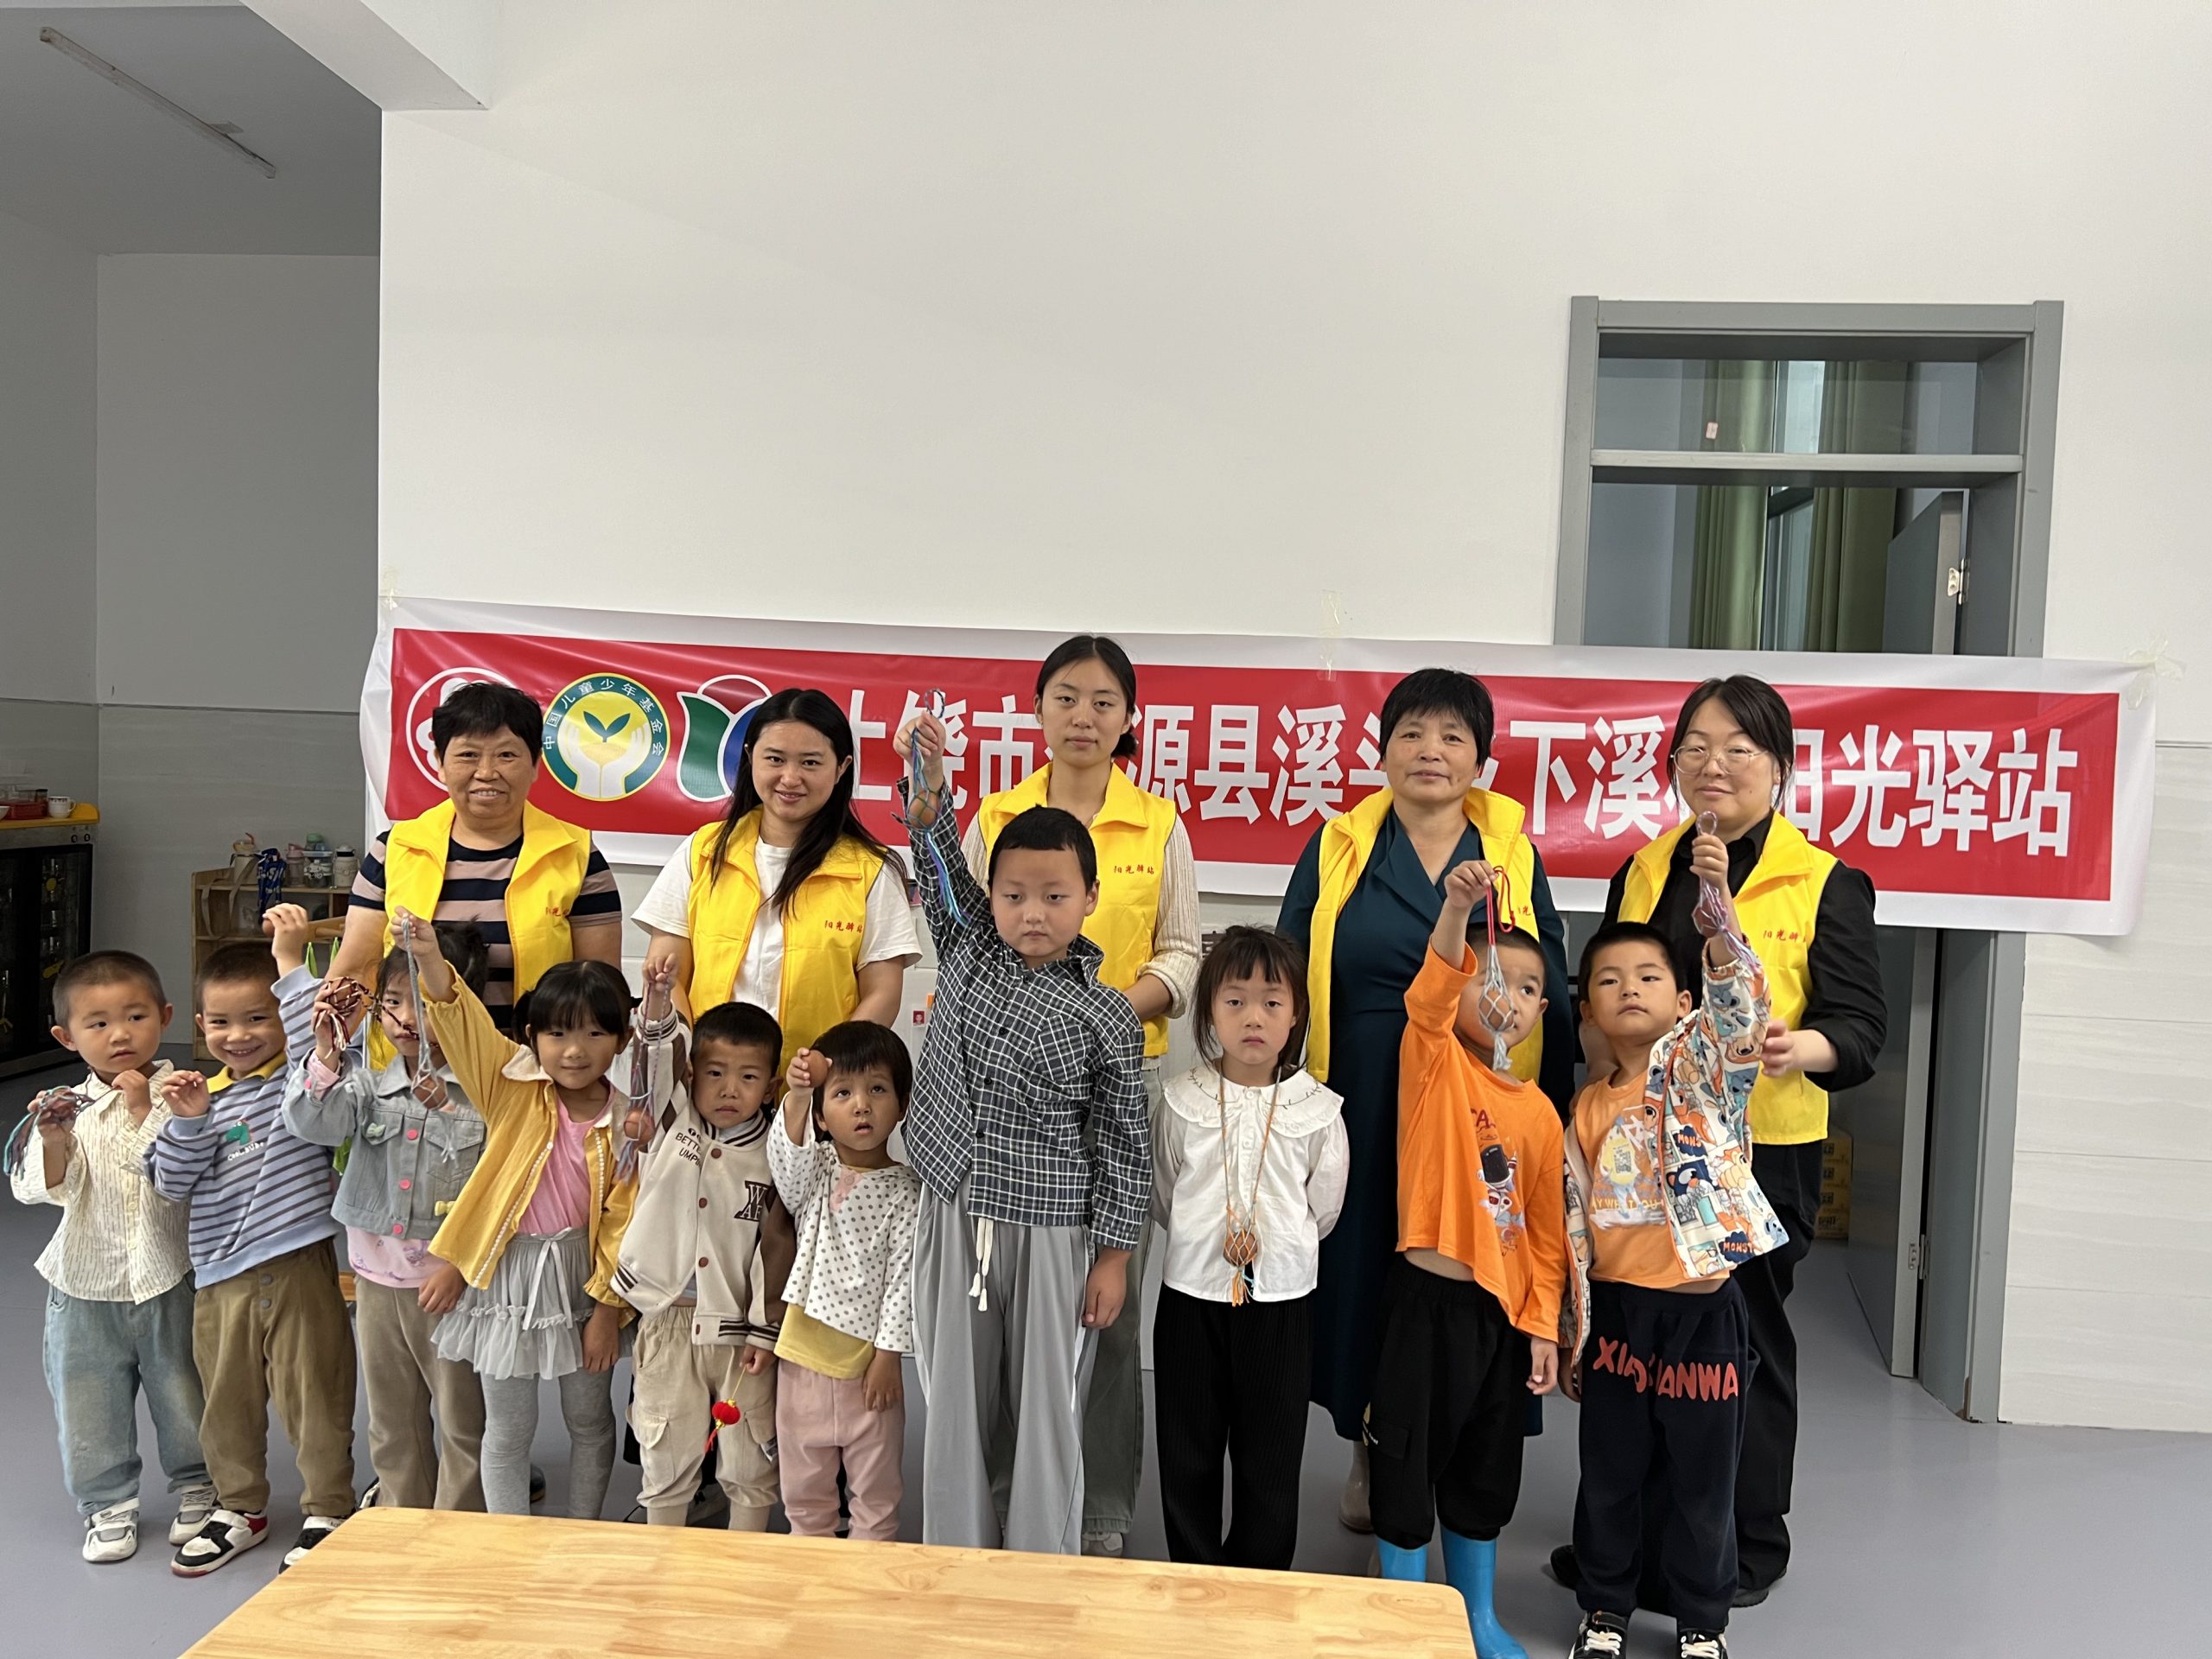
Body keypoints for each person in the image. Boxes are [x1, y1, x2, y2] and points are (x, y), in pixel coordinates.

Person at [1556, 675, 1886, 1610]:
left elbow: (1861, 1029)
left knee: (1744, 1349)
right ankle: (1633, 1551)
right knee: (1638, 1349)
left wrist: (1796, 1047)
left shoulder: (1823, 880)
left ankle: (1743, 1546)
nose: (1715, 765)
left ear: (1777, 768)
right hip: (1642, 1153)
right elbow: (1611, 990)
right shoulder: (1645, 867)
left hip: (1758, 1155)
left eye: (1740, 749)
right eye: (1695, 748)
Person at [1277, 666, 1573, 1531]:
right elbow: (1288, 969)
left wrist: (1548, 1111)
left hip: (1474, 1104)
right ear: (1382, 752)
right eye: (1410, 733)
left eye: (1452, 736)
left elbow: (1547, 979)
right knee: (1369, 1274)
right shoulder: (1339, 846)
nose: (1430, 751)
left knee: (1467, 1277)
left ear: (1481, 759)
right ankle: (1374, 1455)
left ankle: (1460, 1460)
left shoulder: (1512, 853)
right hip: (1362, 1096)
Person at [892, 706, 1151, 1554]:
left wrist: (1113, 1257)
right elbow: (938, 866)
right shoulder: (969, 948)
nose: (1031, 913)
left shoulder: (1106, 1014)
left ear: (1090, 899)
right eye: (1012, 895)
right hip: (953, 1208)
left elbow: (1123, 1145)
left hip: (1051, 1232)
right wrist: (929, 790)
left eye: (1054, 896)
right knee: (954, 1403)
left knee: (1046, 1410)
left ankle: (1043, 1564)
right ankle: (956, 1555)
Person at [962, 634, 1200, 1557]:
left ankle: (1099, 1510)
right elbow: (966, 939)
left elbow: (1182, 953)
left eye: (1104, 701)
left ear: (1130, 717)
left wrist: (1094, 1018)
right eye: (1066, 697)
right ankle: (1000, 1493)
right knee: (998, 1303)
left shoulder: (1159, 824)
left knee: (1107, 1301)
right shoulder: (996, 816)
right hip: (1003, 1090)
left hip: (1115, 1081)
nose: (1084, 717)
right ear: (1037, 710)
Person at [1560, 864, 1786, 1659]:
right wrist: (1575, 1330)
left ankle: (1700, 1622)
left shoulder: (1704, 1076)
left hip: (1702, 1314)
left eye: (1650, 976)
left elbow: (1742, 1013)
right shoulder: (1585, 1107)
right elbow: (1575, 1229)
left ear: (1684, 1003)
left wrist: (1720, 930)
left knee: (1703, 1482)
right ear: (1588, 1011)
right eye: (1609, 980)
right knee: (1610, 1474)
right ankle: (1605, 1610)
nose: (1629, 988)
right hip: (1620, 1316)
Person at [1369, 864, 1565, 1659]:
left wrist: (1543, 1326)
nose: (1505, 997)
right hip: (1424, 1306)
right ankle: (1404, 1621)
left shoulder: (1542, 1113)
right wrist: (1455, 910)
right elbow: (1431, 998)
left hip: (1501, 1321)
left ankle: (1476, 1617)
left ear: (1543, 1011)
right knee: (1404, 1461)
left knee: (1486, 1470)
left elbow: (1546, 1235)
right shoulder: (1434, 1062)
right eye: (1491, 978)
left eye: (1526, 988)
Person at [401, 906, 648, 1521]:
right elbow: (460, 1020)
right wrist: (428, 955)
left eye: (595, 1034)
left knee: (589, 1419)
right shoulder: (509, 1086)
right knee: (508, 1428)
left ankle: (583, 1532)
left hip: (586, 1279)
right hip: (507, 1274)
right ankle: (507, 1539)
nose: (575, 1051)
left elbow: (624, 1222)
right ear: (533, 1037)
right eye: (558, 1034)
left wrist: (607, 1310)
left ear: (621, 1040)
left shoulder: (628, 1122)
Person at [147, 910, 354, 1576]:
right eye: (221, 1022)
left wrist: (289, 958)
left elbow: (312, 1031)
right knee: (225, 1404)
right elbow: (169, 1184)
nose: (239, 1036)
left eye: (257, 1018)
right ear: (199, 1026)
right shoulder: (194, 1098)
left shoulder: (300, 1081)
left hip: (298, 1264)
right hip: (219, 1279)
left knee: (316, 1394)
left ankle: (329, 1508)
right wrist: (188, 1124)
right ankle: (240, 1506)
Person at [1150, 925, 1345, 1571]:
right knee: (1188, 1451)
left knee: (1271, 1456)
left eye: (1271, 1002)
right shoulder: (1180, 1100)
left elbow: (1323, 1209)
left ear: (1296, 1015)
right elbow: (1166, 1194)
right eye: (1234, 1001)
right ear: (1210, 1011)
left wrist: (1276, 1248)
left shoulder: (1318, 1110)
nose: (1253, 1018)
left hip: (1281, 1304)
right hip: (1191, 1298)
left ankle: (1259, 1583)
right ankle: (1195, 1574)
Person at [282, 922, 493, 1513]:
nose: (404, 1019)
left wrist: (461, 1264)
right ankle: (402, 1517)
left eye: (422, 1004)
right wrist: (326, 1054)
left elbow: (499, 1193)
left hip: (450, 1287)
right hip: (375, 1281)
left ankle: (459, 1528)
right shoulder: (368, 1086)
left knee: (462, 1419)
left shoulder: (483, 1096)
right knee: (391, 1419)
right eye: (393, 1002)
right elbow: (312, 1124)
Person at [12, 951, 213, 1564]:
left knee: (185, 1388)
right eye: (97, 1024)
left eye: (135, 1016)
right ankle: (107, 1502)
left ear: (166, 1017)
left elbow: (175, 1177)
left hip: (169, 1275)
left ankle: (200, 1482)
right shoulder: (66, 1105)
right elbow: (39, 1190)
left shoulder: (186, 1095)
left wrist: (142, 1111)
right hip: (82, 1282)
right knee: (87, 1398)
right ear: (66, 1037)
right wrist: (53, 1140)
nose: (119, 1034)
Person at [637, 686, 919, 1070]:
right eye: (775, 759)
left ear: (842, 768)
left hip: (816, 1086)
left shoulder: (872, 869)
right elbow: (666, 974)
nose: (790, 777)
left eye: (810, 763)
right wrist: (690, 1061)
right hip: (707, 1084)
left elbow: (882, 994)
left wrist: (824, 1069)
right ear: (750, 758)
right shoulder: (702, 851)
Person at [330, 681, 625, 1033]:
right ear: (440, 762)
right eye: (468, 755)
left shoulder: (576, 854)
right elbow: (357, 970)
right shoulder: (393, 850)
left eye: (507, 755)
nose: (486, 772)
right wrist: (324, 1051)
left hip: (528, 1061)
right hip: (412, 1062)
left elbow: (599, 985)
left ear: (535, 764)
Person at [610, 996, 788, 1531]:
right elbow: (655, 1058)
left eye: (748, 1077)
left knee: (750, 1459)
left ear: (771, 1087)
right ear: (692, 1075)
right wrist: (658, 1004)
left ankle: (743, 1562)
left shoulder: (778, 1154)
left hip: (741, 1333)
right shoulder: (672, 1120)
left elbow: (778, 1249)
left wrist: (765, 1331)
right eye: (715, 1073)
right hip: (668, 1319)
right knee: (666, 1452)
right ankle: (660, 1563)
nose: (730, 1089)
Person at [772, 1021, 922, 1543]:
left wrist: (888, 1356)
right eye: (842, 1093)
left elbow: (904, 1278)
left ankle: (868, 1586)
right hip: (801, 1360)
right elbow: (785, 1161)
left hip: (868, 1370)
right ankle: (810, 1582)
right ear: (821, 1115)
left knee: (876, 1499)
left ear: (901, 1105)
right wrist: (797, 1093)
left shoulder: (908, 1191)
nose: (861, 1105)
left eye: (878, 1089)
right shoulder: (814, 1169)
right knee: (804, 1496)